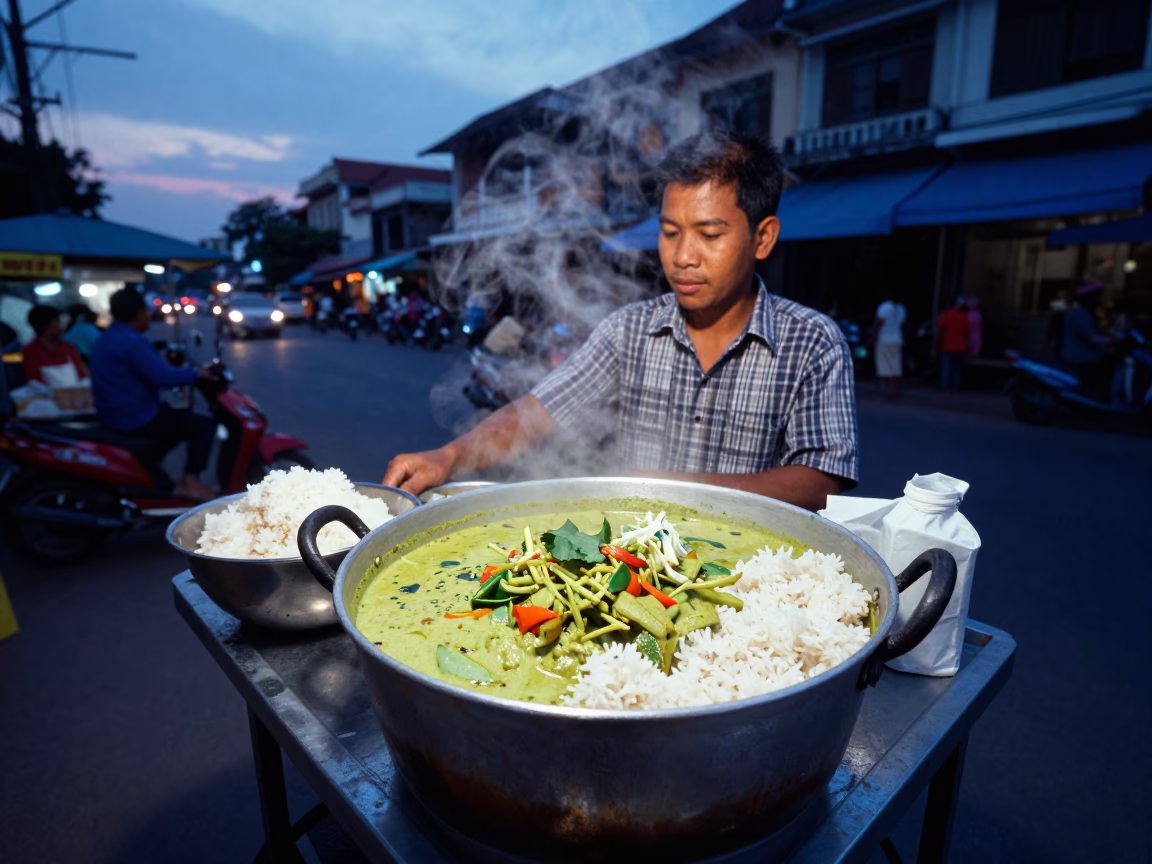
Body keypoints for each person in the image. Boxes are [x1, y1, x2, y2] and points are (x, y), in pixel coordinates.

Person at [384, 131, 858, 512]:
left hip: (751, 572)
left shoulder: (813, 341)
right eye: (670, 233)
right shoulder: (629, 330)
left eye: (710, 234)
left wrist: (680, 490)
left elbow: (820, 481)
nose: (684, 256)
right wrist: (450, 456)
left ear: (763, 238)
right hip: (633, 559)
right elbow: (536, 413)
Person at [89, 288, 217, 501]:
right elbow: (162, 377)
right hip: (134, 417)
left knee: (175, 419)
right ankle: (190, 482)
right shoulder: (132, 341)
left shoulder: (108, 338)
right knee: (203, 426)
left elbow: (145, 370)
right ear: (138, 314)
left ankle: (151, 472)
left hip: (114, 413)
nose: (149, 315)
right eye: (146, 312)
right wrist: (198, 373)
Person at [1061, 282, 1111, 398]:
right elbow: (1090, 336)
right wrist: (1109, 340)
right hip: (1079, 356)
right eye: (1097, 297)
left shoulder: (1082, 313)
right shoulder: (1081, 314)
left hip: (1079, 353)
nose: (1099, 300)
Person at [22, 304, 88, 386]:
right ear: (44, 326)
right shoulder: (30, 351)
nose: (61, 327)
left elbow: (83, 374)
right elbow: (35, 381)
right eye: (57, 322)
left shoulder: (69, 347)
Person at [872, 294, 906, 399]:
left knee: (886, 366)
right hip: (897, 339)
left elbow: (879, 322)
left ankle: (890, 389)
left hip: (885, 339)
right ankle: (894, 388)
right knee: (895, 365)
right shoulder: (901, 308)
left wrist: (874, 336)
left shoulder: (884, 307)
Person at [935, 297, 969, 398]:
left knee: (946, 368)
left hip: (947, 346)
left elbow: (939, 330)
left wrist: (938, 342)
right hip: (960, 347)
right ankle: (954, 389)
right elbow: (966, 333)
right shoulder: (963, 316)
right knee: (956, 369)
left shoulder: (946, 315)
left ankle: (945, 389)